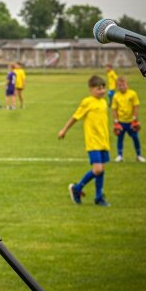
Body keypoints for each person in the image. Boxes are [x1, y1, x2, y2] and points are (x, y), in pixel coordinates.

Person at [58, 75, 111, 207]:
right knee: (97, 169)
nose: (102, 90)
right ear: (91, 89)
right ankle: (77, 187)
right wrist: (64, 130)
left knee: (102, 169)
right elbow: (75, 117)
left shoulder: (103, 102)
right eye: (98, 88)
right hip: (93, 141)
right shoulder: (87, 102)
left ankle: (99, 197)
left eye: (103, 88)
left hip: (104, 140)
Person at [112, 76, 146, 163]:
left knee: (135, 138)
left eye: (123, 85)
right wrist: (116, 121)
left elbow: (136, 107)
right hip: (121, 122)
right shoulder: (116, 96)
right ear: (117, 86)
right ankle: (120, 155)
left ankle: (139, 155)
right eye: (119, 85)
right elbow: (114, 109)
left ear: (127, 85)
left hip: (131, 121)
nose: (122, 87)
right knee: (120, 138)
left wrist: (135, 119)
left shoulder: (132, 94)